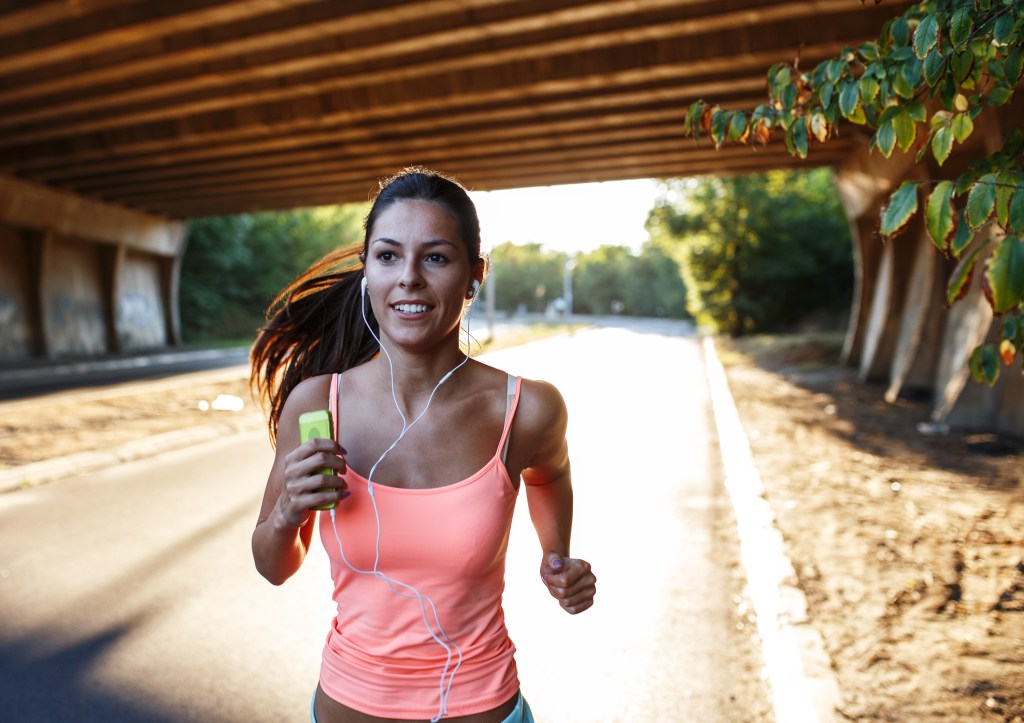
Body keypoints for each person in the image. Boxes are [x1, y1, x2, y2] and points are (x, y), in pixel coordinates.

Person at [250, 167, 597, 723]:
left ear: (473, 276)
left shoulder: (526, 409)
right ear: (367, 271)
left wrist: (555, 554)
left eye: (435, 257)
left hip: (484, 704)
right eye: (388, 256)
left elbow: (550, 474)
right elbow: (274, 566)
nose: (409, 277)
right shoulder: (318, 407)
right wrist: (288, 512)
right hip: (346, 704)